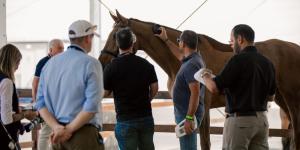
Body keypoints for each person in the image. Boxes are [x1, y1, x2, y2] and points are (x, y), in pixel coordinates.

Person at [196, 24, 276, 150]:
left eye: (232, 41)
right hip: (262, 122)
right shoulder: (267, 63)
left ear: (240, 39)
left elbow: (214, 87)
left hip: (240, 123)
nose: (230, 44)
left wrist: (204, 74)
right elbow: (271, 97)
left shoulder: (237, 60)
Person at [35, 20, 104, 150]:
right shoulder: (91, 63)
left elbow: (40, 103)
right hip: (83, 135)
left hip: (57, 136)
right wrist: (69, 130)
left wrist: (56, 127)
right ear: (88, 39)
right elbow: (91, 106)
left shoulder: (49, 64)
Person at [103, 27, 159, 150]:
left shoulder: (111, 67)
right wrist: (148, 99)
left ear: (117, 44)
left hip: (125, 120)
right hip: (146, 117)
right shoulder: (147, 65)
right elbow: (155, 87)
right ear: (133, 42)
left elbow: (105, 92)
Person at [155, 27, 205, 150]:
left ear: (183, 43)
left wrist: (189, 118)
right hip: (185, 113)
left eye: (179, 40)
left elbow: (195, 93)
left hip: (187, 115)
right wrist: (166, 40)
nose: (178, 43)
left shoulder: (192, 64)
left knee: (188, 147)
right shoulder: (192, 59)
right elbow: (180, 55)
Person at [0, 44, 36, 150]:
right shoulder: (6, 82)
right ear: (11, 61)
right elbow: (6, 119)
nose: (18, 67)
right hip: (5, 138)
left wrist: (16, 109)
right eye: (17, 62)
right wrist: (25, 114)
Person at [32, 39, 64, 150]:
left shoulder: (61, 62)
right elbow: (35, 84)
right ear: (50, 50)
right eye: (59, 48)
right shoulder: (43, 62)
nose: (62, 51)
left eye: (63, 48)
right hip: (47, 105)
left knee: (56, 132)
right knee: (46, 133)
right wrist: (36, 105)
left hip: (59, 104)